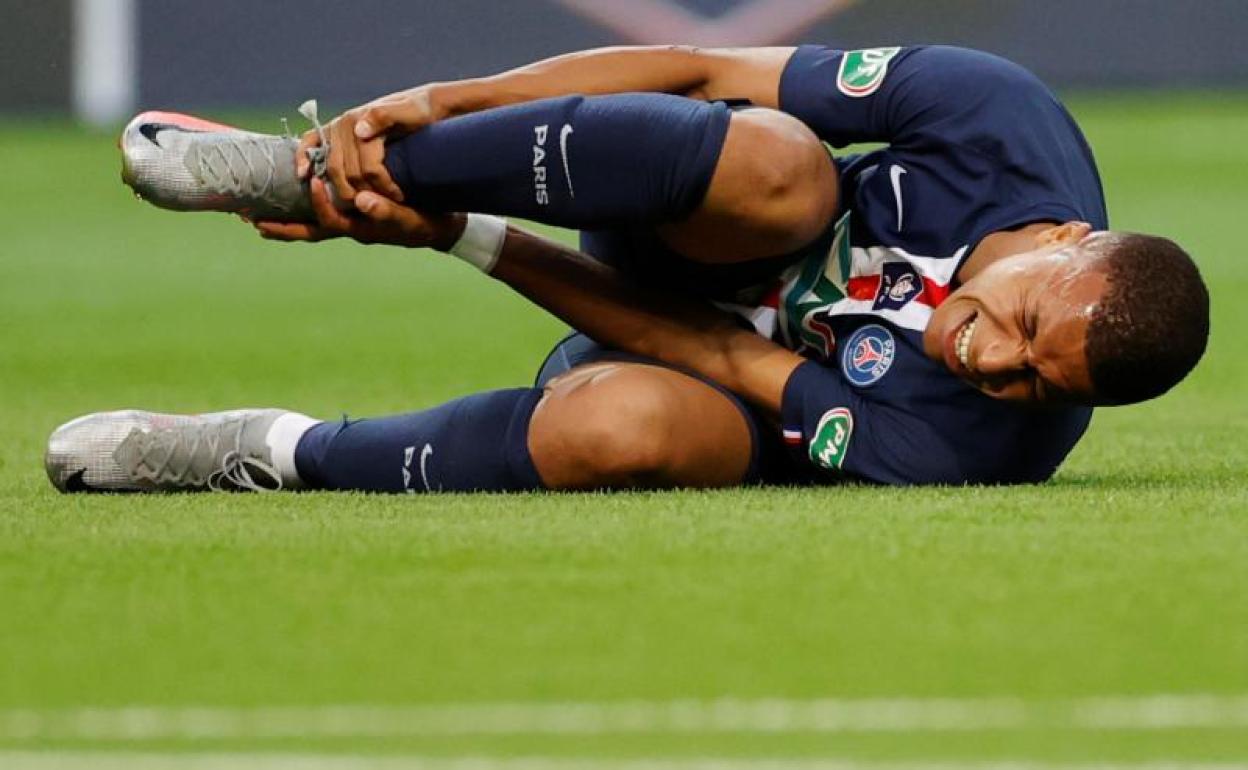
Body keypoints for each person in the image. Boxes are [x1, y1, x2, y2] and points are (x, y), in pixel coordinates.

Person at [45, 44, 1209, 493]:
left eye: (1033, 383)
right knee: (783, 165)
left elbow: (708, 348)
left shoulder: (976, 447)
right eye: (1023, 326)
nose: (991, 359)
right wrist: (450, 104)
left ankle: (265, 448)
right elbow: (701, 74)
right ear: (1064, 240)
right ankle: (322, 170)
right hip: (681, 217)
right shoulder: (1001, 116)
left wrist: (460, 237)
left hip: (701, 376)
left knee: (617, 428)